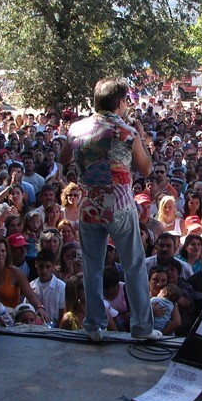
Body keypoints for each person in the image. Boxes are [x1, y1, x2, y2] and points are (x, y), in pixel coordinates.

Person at [60, 78, 160, 341]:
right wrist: (142, 138)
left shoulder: (76, 128)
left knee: (91, 266)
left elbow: (63, 158)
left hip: (88, 207)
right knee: (133, 265)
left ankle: (94, 325)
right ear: (120, 102)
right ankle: (142, 328)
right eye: (126, 101)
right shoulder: (126, 131)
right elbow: (146, 169)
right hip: (119, 207)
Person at [29, 249, 66, 327]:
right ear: (36, 264)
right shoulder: (31, 286)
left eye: (48, 267)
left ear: (53, 266)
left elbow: (63, 312)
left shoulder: (61, 287)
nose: (44, 271)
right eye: (41, 266)